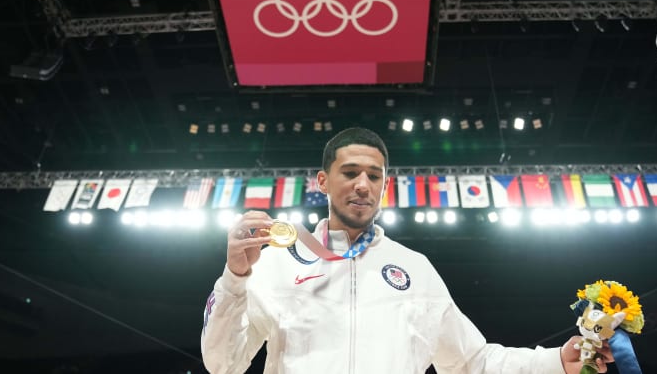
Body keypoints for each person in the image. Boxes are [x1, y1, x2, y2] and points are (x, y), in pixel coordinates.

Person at [201, 127, 614, 374]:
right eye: (349, 173)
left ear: (383, 186)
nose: (362, 184)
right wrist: (234, 279)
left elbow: (472, 362)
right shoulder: (274, 262)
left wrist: (557, 360)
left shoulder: (414, 269)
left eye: (374, 176)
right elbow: (223, 364)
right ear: (322, 182)